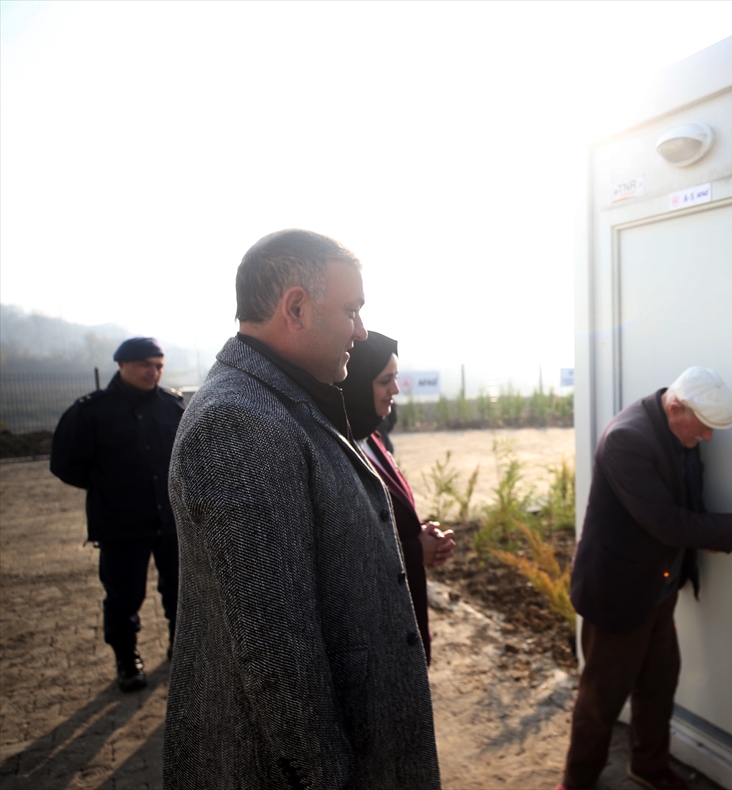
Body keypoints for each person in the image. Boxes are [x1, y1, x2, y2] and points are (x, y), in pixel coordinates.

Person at [163, 229, 440, 789]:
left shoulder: (281, 399)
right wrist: (325, 777)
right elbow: (275, 649)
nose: (361, 332)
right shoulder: (240, 422)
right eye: (353, 311)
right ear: (296, 307)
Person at [561, 367, 732, 790]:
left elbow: (686, 502)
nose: (708, 440)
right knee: (601, 700)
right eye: (703, 430)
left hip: (658, 590)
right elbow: (667, 522)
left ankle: (648, 768)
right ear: (677, 406)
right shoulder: (627, 440)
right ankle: (576, 783)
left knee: (659, 684)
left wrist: (713, 537)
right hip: (619, 595)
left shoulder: (678, 427)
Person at [50, 337, 184, 693]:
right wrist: (111, 489)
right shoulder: (91, 411)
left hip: (171, 521)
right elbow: (65, 464)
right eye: (145, 365)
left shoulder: (172, 407)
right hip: (121, 523)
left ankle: (180, 649)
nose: (153, 372)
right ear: (122, 365)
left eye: (158, 366)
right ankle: (127, 659)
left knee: (180, 590)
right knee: (124, 596)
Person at [338, 330, 456, 662]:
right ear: (357, 382)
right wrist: (416, 550)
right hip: (374, 634)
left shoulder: (370, 437)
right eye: (385, 380)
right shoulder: (340, 449)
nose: (395, 389)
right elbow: (349, 552)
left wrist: (421, 535)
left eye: (396, 378)